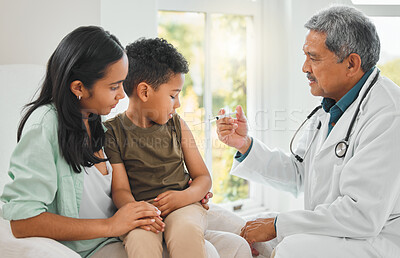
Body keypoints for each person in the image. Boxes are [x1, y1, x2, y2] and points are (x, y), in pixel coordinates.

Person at [216, 5, 400, 258]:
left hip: (377, 238)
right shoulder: (332, 104)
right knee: (245, 232)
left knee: (292, 248)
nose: (304, 68)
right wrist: (245, 145)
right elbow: (299, 172)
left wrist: (280, 225)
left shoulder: (389, 115)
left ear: (352, 64)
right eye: (305, 56)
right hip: (334, 229)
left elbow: (362, 215)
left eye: (313, 58)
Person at [0, 26, 162, 258]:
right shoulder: (44, 126)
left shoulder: (97, 120)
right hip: (92, 247)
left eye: (122, 84)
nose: (121, 95)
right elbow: (23, 221)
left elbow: (117, 189)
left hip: (118, 238)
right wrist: (111, 226)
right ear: (79, 88)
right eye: (114, 87)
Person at [103, 38, 214, 258]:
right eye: (173, 95)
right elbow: (121, 190)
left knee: (186, 230)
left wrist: (184, 197)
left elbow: (203, 178)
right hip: (140, 211)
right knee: (139, 240)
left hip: (183, 206)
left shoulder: (177, 124)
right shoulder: (112, 132)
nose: (178, 104)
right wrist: (139, 212)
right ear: (144, 92)